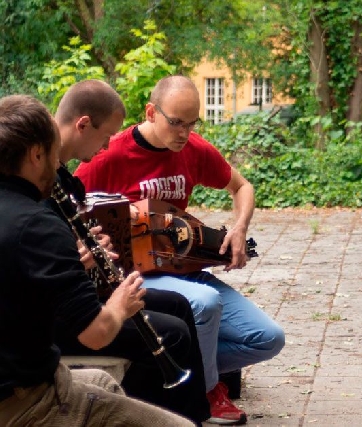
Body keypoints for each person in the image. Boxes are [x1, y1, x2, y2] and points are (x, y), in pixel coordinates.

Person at [74, 75, 286, 424]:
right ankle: (206, 390)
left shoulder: (193, 149)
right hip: (136, 278)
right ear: (151, 112)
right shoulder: (109, 154)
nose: (184, 133)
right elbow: (68, 203)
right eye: (176, 122)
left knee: (267, 339)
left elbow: (242, 186)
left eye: (191, 124)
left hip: (183, 271)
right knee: (205, 303)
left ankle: (184, 371)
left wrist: (239, 227)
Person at [0, 93, 195, 426]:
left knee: (104, 383)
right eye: (53, 155)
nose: (58, 166)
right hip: (28, 400)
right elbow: (96, 334)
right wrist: (121, 303)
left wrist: (75, 265)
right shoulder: (38, 225)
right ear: (36, 154)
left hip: (25, 375)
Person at [49, 79, 221, 425]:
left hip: (69, 292)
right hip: (55, 312)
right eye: (106, 136)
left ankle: (195, 413)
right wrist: (75, 257)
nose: (108, 145)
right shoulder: (36, 184)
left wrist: (86, 247)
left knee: (179, 304)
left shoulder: (56, 176)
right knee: (172, 332)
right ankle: (165, 415)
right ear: (83, 124)